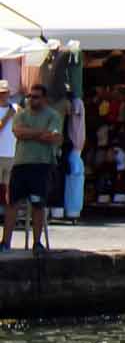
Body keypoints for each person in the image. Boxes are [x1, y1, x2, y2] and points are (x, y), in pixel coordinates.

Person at [5, 83, 62, 251]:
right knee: (12, 203)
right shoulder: (21, 114)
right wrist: (39, 133)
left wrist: (29, 133)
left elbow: (53, 136)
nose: (31, 100)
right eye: (30, 96)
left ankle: (37, 243)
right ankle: (5, 242)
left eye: (36, 97)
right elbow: (17, 132)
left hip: (42, 164)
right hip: (21, 163)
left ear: (44, 98)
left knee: (38, 204)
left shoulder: (53, 115)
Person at [0, 79, 15, 240]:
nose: (4, 96)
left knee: (10, 198)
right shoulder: (10, 111)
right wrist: (8, 116)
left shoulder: (15, 109)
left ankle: (6, 238)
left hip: (12, 156)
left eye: (6, 92)